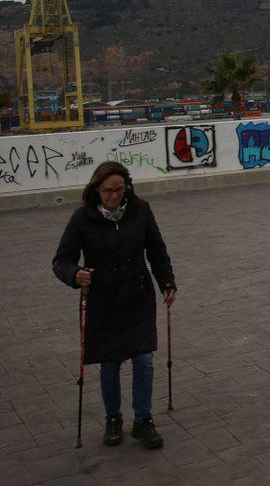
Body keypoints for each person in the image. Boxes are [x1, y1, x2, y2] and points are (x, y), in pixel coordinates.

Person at [52, 161, 177, 449]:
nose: (114, 196)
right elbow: (61, 261)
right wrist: (75, 275)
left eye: (120, 190)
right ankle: (113, 418)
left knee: (144, 360)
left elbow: (157, 250)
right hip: (103, 300)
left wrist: (167, 281)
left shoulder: (141, 209)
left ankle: (143, 420)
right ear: (96, 189)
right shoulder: (82, 218)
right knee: (109, 363)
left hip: (138, 294)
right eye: (108, 191)